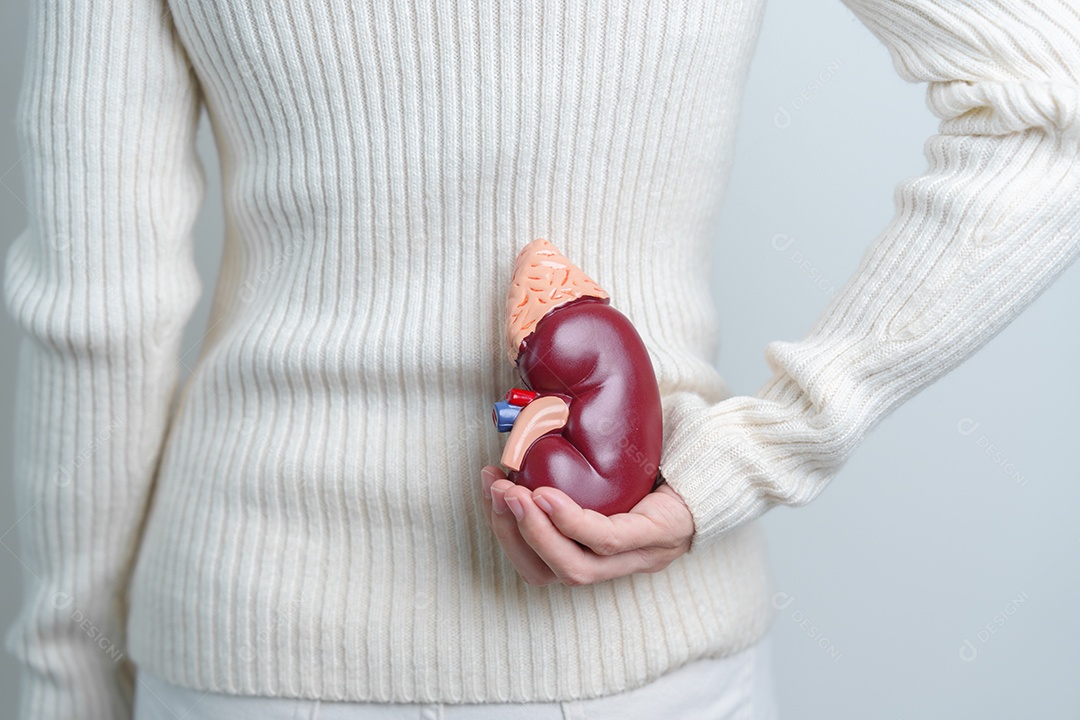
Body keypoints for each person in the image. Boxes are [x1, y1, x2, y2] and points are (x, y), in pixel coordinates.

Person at [3, 0, 1077, 718]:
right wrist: (752, 457)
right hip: (641, 664)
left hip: (253, 638)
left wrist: (60, 680)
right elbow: (1051, 105)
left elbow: (96, 309)